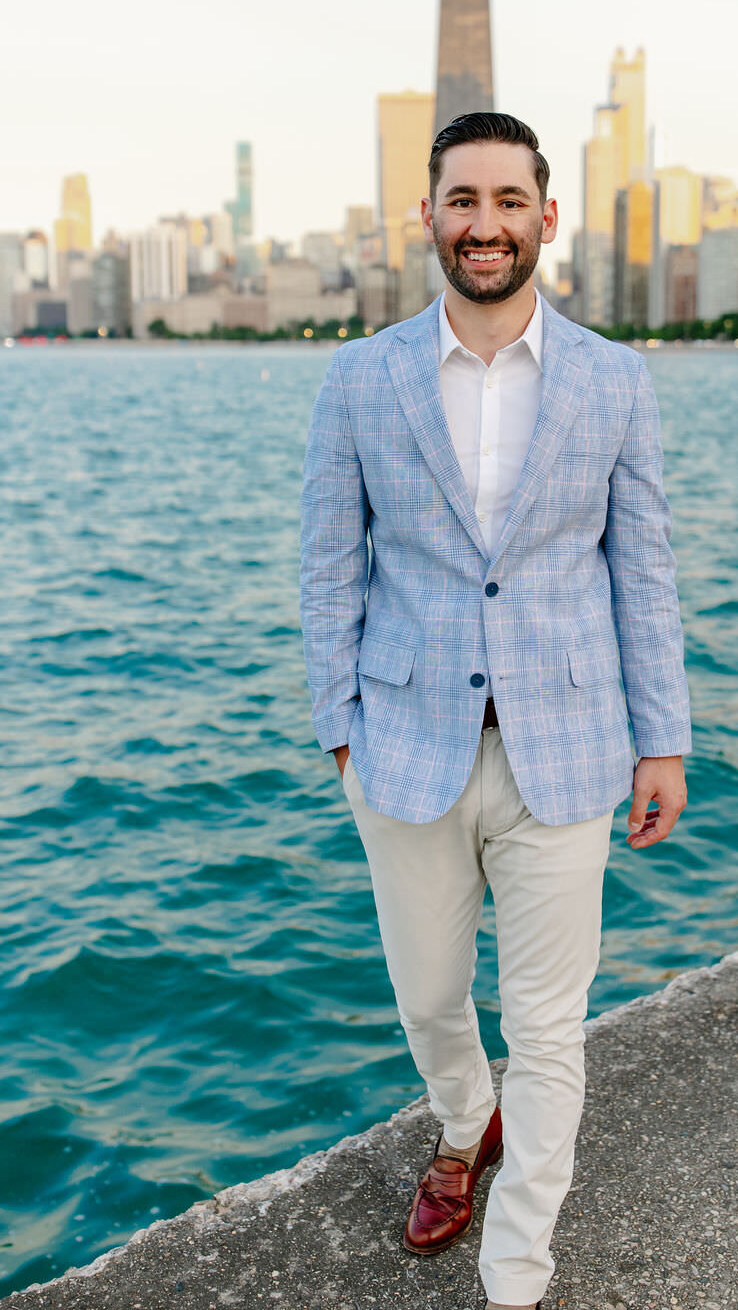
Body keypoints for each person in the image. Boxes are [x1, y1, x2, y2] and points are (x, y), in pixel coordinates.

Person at [299, 111, 690, 1309]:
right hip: (404, 746)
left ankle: (517, 1270)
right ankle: (465, 1129)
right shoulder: (360, 377)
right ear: (428, 215)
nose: (484, 224)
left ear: (545, 218)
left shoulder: (614, 381)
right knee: (428, 997)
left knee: (552, 1026)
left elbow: (643, 566)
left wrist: (662, 737)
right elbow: (327, 565)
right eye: (461, 200)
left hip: (565, 752)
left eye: (507, 201)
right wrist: (339, 725)